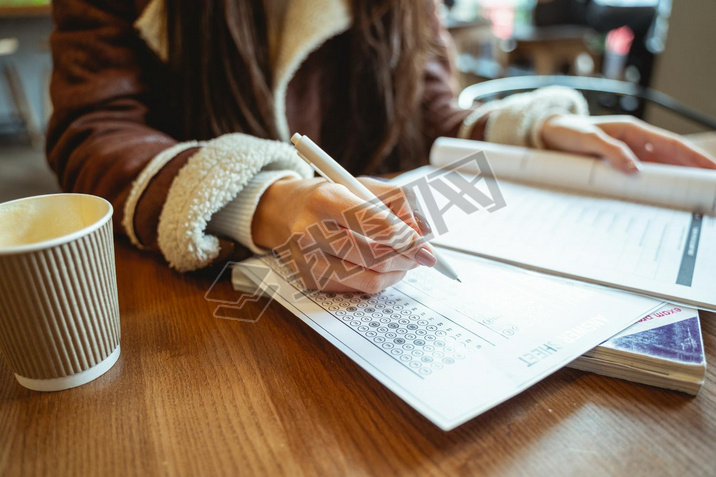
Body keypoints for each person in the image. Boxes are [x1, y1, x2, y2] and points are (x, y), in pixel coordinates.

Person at [47, 0, 716, 293]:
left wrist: (534, 130)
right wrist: (264, 199)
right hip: (183, 313)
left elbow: (427, 114)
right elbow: (95, 132)